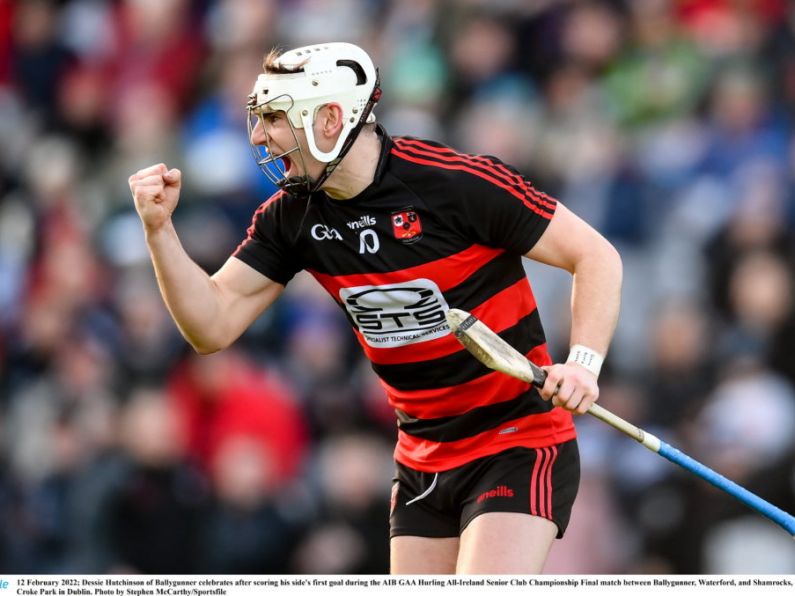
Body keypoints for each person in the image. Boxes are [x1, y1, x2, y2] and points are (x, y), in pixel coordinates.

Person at [128, 42, 623, 574]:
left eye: (274, 118)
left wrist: (583, 364)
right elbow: (211, 324)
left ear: (330, 119)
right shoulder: (291, 218)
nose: (257, 136)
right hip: (421, 458)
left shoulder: (454, 183)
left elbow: (594, 255)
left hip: (517, 442)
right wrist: (159, 231)